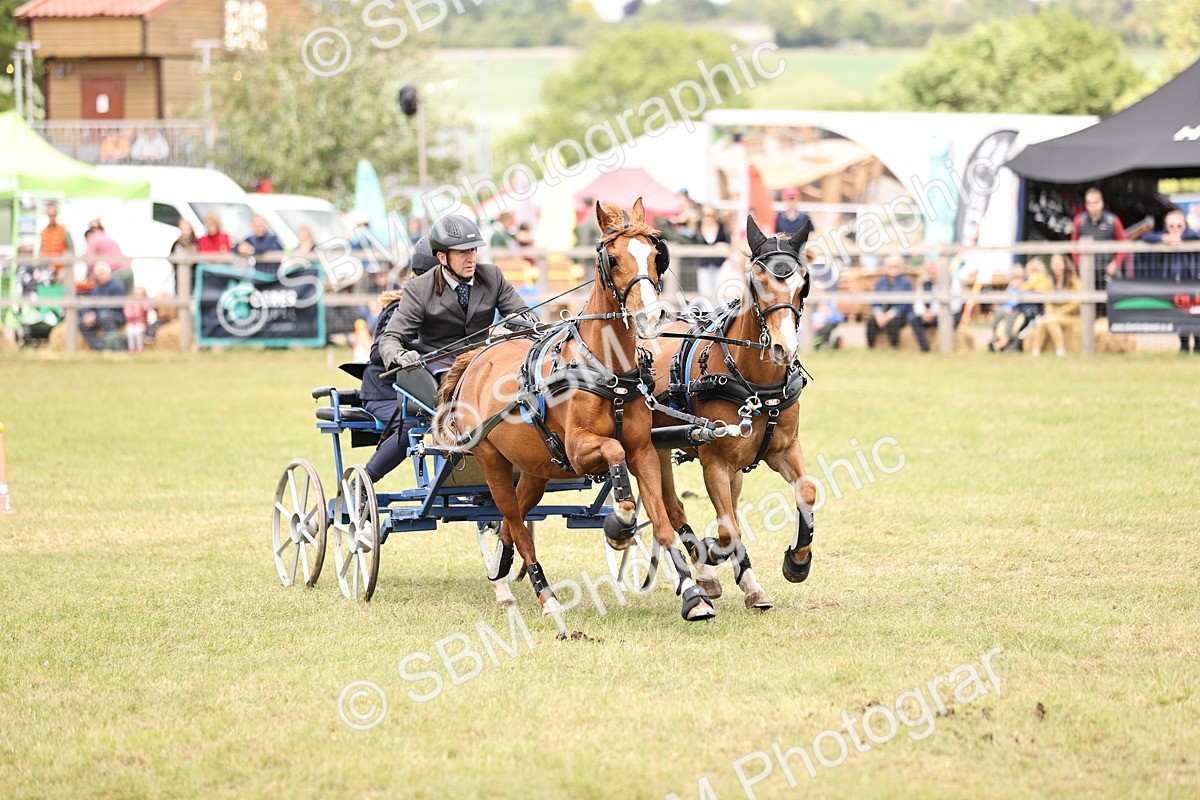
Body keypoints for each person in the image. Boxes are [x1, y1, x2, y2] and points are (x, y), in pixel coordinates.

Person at [378, 214, 532, 381]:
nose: (471, 258)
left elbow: (525, 314)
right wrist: (399, 355)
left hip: (483, 361)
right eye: (462, 252)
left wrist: (523, 322)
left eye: (473, 250)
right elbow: (391, 337)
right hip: (440, 368)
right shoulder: (418, 288)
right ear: (442, 257)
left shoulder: (493, 275)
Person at [358, 237, 441, 484]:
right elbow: (376, 354)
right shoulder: (399, 308)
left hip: (431, 394)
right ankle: (363, 482)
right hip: (386, 392)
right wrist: (409, 351)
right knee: (410, 426)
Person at [1142, 210, 1200, 353]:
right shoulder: (1163, 237)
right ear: (1166, 227)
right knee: (1180, 314)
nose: (1175, 230)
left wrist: (1182, 237)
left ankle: (1198, 345)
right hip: (1174, 282)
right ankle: (1184, 345)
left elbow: (1196, 234)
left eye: (1179, 226)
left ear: (1185, 225)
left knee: (1196, 313)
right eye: (1171, 226)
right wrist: (1164, 238)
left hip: (1193, 281)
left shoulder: (1191, 236)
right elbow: (1145, 236)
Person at [1071, 187, 1128, 315]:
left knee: (1113, 304)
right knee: (1090, 307)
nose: (1093, 206)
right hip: (1088, 272)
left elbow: (1124, 243)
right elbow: (1074, 246)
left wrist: (1115, 263)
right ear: (1086, 205)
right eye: (1089, 203)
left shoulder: (1112, 220)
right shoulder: (1079, 221)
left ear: (1101, 203)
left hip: (1109, 269)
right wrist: (1080, 264)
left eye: (1095, 202)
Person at [1027, 254, 1080, 357]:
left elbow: (1076, 303)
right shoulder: (1049, 281)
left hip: (1073, 316)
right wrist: (1051, 311)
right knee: (1045, 321)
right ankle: (1036, 351)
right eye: (1054, 264)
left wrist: (1058, 312)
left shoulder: (1074, 281)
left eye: (1059, 264)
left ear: (1065, 264)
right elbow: (1048, 301)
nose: (1056, 267)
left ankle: (1059, 349)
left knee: (1049, 320)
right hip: (1055, 316)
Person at [866, 255, 917, 350]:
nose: (893, 269)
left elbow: (904, 304)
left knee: (893, 323)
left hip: (900, 314)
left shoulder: (906, 282)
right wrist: (878, 314)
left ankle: (893, 347)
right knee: (871, 322)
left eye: (896, 267)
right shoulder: (880, 282)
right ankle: (871, 348)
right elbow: (874, 301)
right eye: (890, 267)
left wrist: (889, 316)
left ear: (901, 268)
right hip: (882, 312)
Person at [81, 261, 126, 351]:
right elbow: (91, 305)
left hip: (116, 316)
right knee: (81, 323)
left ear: (109, 273)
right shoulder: (96, 289)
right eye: (98, 275)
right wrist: (89, 314)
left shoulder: (117, 286)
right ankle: (99, 348)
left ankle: (115, 346)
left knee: (105, 316)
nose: (100, 276)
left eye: (102, 274)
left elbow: (118, 306)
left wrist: (96, 315)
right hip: (100, 316)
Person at [694, 205, 730, 300]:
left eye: (711, 215)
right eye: (706, 215)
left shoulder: (721, 228)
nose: (709, 217)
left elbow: (728, 243)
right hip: (704, 264)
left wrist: (722, 245)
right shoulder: (698, 229)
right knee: (705, 292)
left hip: (719, 264)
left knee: (719, 291)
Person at [37, 201, 74, 282]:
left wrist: (66, 269)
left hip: (61, 270)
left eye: (53, 214)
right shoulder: (43, 232)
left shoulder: (64, 231)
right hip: (46, 270)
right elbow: (41, 251)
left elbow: (71, 251)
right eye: (49, 214)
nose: (51, 216)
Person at [123, 287, 152, 353]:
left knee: (138, 333)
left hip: (141, 322)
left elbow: (147, 309)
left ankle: (139, 348)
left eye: (140, 295)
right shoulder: (130, 303)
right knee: (130, 333)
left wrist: (141, 304)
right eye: (136, 294)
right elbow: (126, 312)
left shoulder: (145, 302)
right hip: (131, 322)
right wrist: (132, 315)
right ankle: (131, 348)